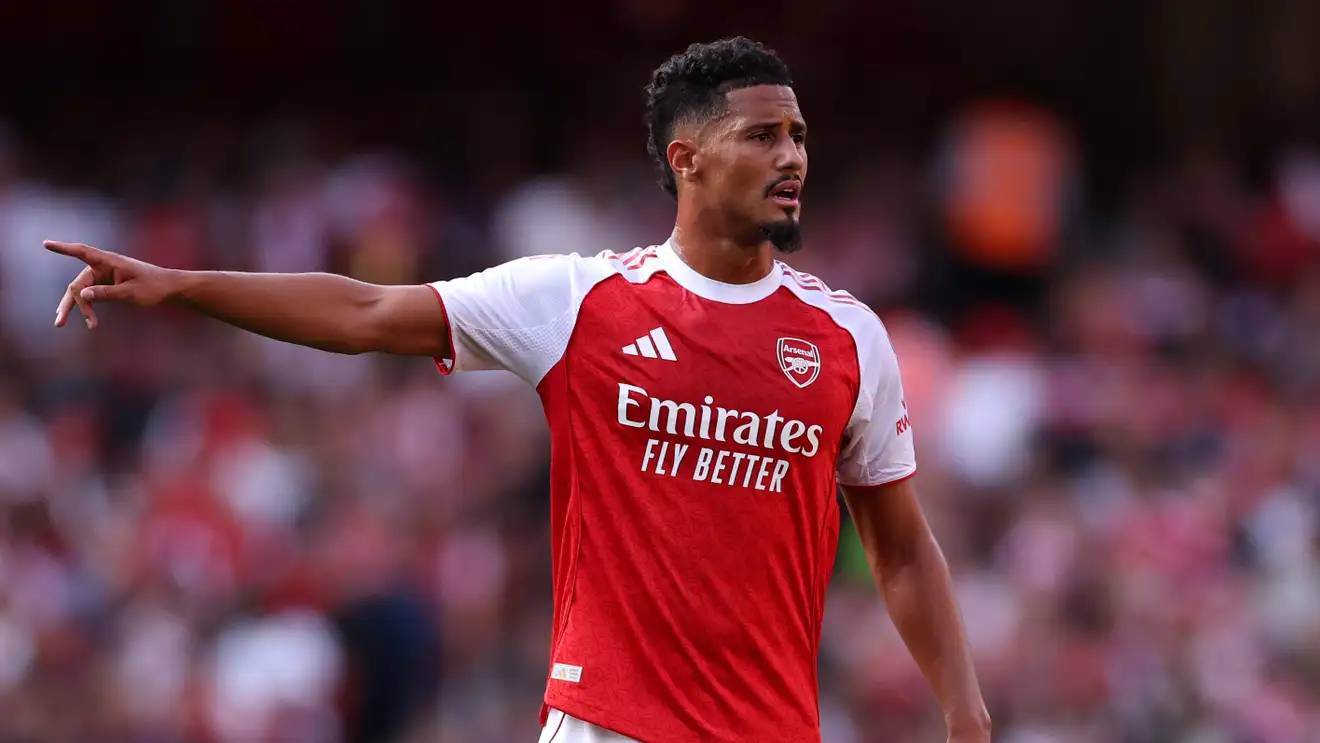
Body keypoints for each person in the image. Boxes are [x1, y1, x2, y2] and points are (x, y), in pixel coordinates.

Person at [46, 37, 990, 743]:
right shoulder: (577, 300)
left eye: (798, 136)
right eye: (762, 135)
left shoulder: (848, 338)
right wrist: (183, 284)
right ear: (687, 159)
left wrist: (967, 714)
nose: (793, 157)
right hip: (606, 726)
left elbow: (901, 548)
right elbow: (368, 309)